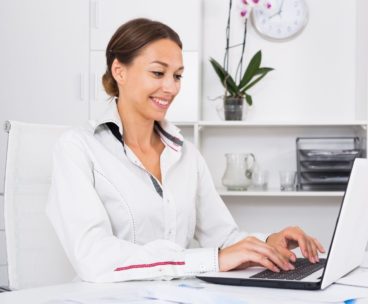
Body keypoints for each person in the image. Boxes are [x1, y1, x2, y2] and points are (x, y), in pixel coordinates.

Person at [46, 18, 325, 283]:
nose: (170, 87)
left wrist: (267, 243)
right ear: (120, 71)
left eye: (177, 76)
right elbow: (94, 258)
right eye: (158, 73)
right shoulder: (78, 148)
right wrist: (209, 260)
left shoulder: (186, 154)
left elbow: (222, 238)